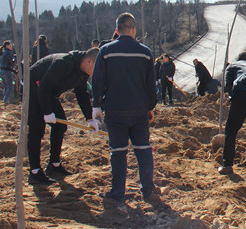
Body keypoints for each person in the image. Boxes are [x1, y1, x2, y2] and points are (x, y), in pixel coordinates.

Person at [91, 12, 158, 202]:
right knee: (143, 149)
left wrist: (96, 105)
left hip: (115, 109)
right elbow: (151, 84)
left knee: (118, 152)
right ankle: (148, 190)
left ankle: (117, 192)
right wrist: (150, 107)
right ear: (134, 29)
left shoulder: (106, 51)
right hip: (139, 110)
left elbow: (97, 81)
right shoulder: (145, 53)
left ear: (117, 30)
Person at [27, 47, 98, 185]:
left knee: (60, 126)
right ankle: (35, 171)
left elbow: (82, 95)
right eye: (96, 68)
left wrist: (90, 118)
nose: (95, 73)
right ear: (89, 62)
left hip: (49, 93)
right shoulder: (63, 63)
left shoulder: (82, 73)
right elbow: (44, 87)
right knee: (37, 129)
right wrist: (47, 112)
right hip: (34, 89)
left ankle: (54, 164)